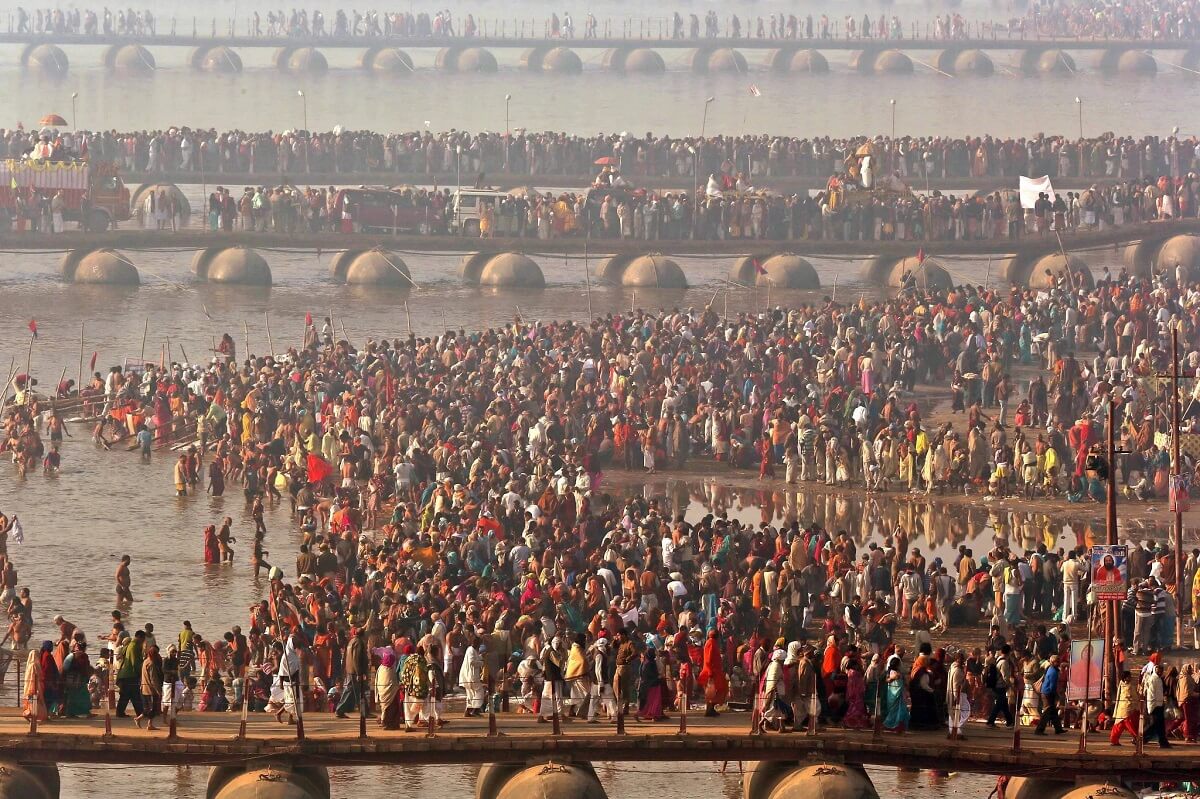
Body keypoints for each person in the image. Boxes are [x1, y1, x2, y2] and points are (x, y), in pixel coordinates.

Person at [1143, 659, 1171, 748]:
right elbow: (1151, 693)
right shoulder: (1153, 679)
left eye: (1161, 671)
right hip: (1155, 705)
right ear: (1155, 670)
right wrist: (1152, 705)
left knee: (1160, 725)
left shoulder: (1159, 679)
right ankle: (1141, 738)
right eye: (1158, 670)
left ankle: (1163, 742)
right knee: (1155, 725)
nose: (1160, 672)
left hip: (1160, 704)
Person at [1034, 654, 1064, 735]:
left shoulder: (1051, 669)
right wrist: (1056, 695)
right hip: (1048, 693)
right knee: (1047, 712)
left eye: (1059, 661)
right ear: (1053, 662)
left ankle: (1058, 728)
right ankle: (1039, 730)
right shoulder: (1053, 672)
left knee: (1053, 711)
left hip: (1046, 692)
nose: (1059, 663)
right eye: (1057, 661)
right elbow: (1052, 686)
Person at [136, 644, 163, 730]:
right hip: (151, 689)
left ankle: (149, 724)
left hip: (144, 687)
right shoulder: (151, 663)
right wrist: (158, 690)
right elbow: (153, 679)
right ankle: (139, 719)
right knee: (152, 708)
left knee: (150, 708)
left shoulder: (145, 661)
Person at [1109, 670, 1137, 746]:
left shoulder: (1127, 685)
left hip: (1125, 709)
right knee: (1130, 725)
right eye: (1128, 677)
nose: (1130, 678)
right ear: (1125, 678)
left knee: (1119, 726)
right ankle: (1137, 738)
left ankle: (1114, 740)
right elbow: (1132, 697)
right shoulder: (1126, 686)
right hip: (1126, 709)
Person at [375, 650, 401, 730]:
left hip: (382, 693)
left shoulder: (381, 668)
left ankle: (384, 721)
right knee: (392, 708)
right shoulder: (391, 670)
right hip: (391, 694)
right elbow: (395, 683)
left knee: (385, 708)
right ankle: (390, 724)